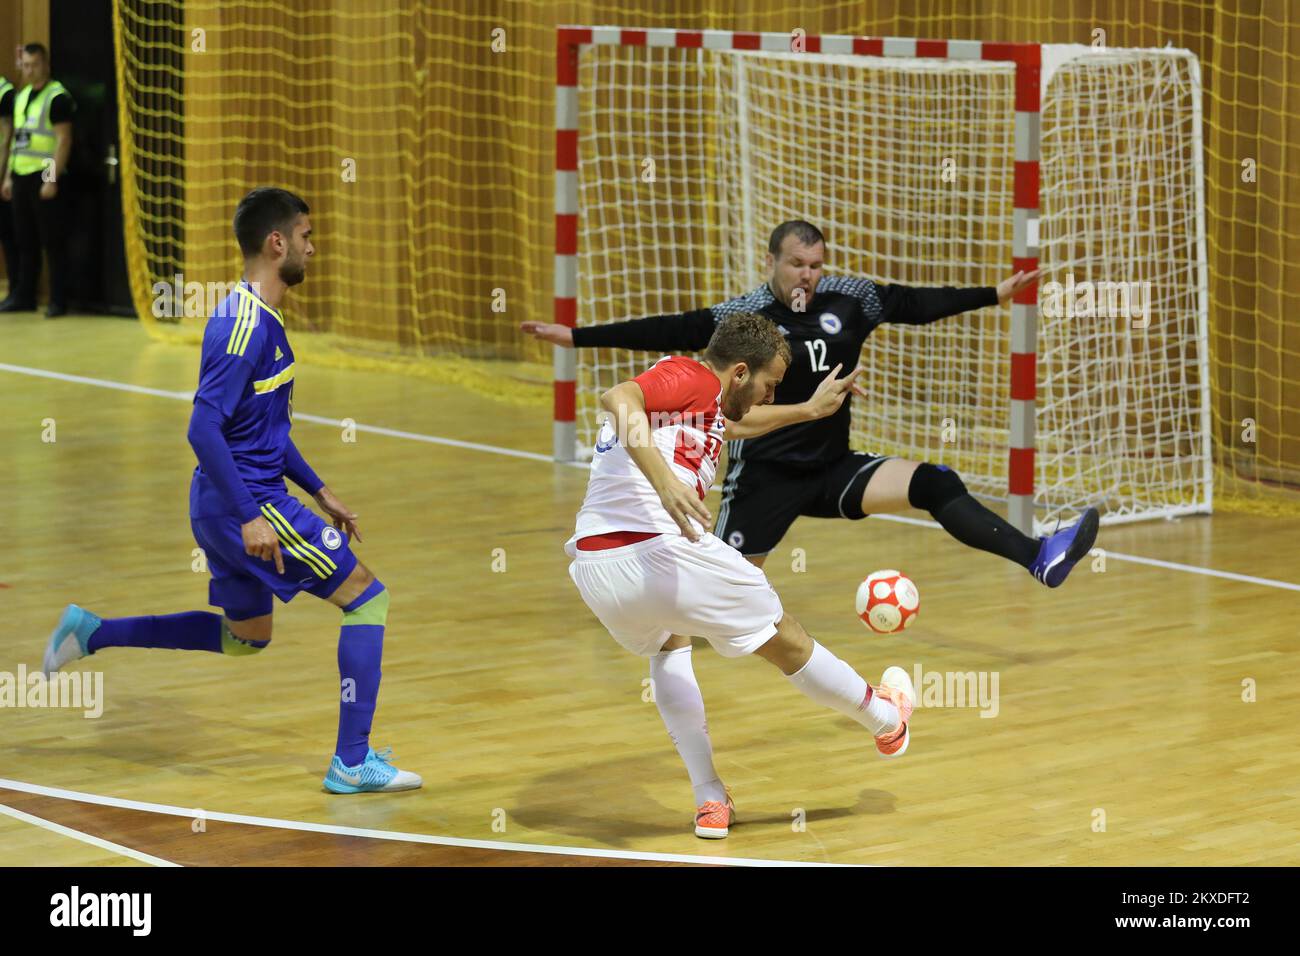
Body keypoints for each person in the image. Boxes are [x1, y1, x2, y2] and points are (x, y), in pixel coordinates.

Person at [42, 187, 421, 795]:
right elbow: (202, 426)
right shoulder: (246, 327)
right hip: (248, 503)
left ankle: (91, 632)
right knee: (368, 599)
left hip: (227, 500)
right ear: (277, 243)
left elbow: (258, 428)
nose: (311, 248)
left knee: (247, 638)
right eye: (304, 236)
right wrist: (251, 516)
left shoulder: (252, 315)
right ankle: (352, 761)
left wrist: (319, 489)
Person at [524, 220, 1099, 587]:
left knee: (935, 482)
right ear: (771, 263)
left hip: (832, 468)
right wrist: (573, 336)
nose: (807, 274)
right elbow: (666, 328)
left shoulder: (851, 300)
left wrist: (993, 295)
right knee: (721, 592)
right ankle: (636, 598)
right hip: (764, 477)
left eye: (815, 264)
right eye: (797, 263)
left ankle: (1037, 557)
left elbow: (915, 303)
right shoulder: (744, 316)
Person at [567, 311, 915, 838]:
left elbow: (730, 424)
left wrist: (808, 410)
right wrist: (664, 483)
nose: (768, 398)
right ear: (737, 374)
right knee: (785, 638)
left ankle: (710, 799)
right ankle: (887, 722)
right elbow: (619, 398)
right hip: (658, 549)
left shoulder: (700, 404)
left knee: (669, 643)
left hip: (598, 570)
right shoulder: (688, 375)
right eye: (769, 385)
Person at [0, 43, 75, 317]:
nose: (29, 70)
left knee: (51, 241)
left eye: (34, 65)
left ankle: (58, 299)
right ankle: (24, 295)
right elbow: (16, 142)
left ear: (45, 65)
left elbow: (63, 141)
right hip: (20, 174)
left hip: (43, 176)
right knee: (24, 239)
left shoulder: (57, 97)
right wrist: (8, 177)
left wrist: (50, 179)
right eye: (26, 65)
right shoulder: (21, 97)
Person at [0, 70, 16, 296]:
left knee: (12, 235)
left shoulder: (6, 93)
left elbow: (7, 138)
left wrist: (4, 175)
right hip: (18, 172)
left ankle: (20, 291)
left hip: (41, 176)